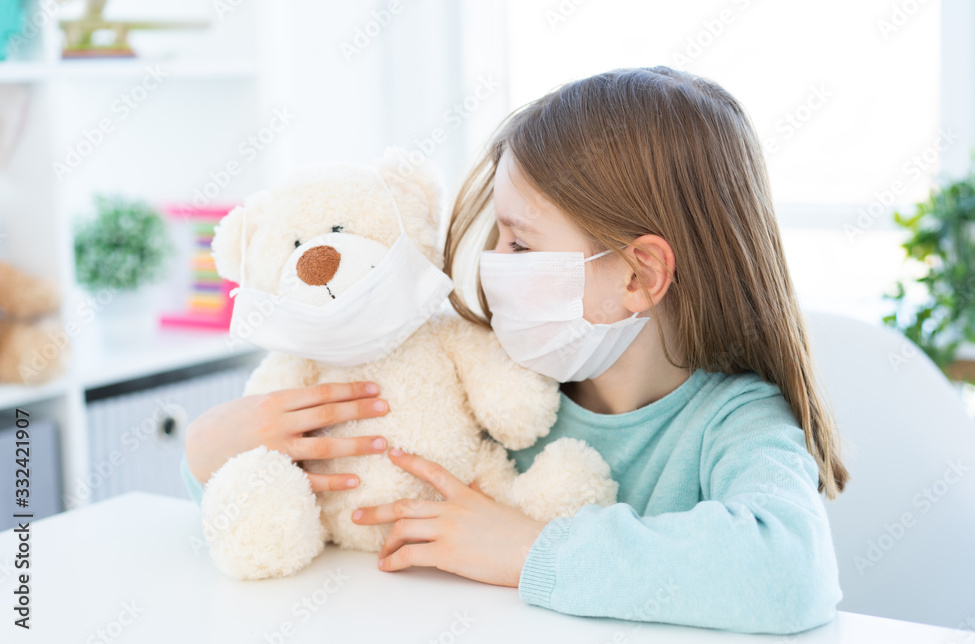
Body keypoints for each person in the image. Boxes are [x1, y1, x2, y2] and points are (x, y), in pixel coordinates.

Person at [181, 65, 848, 635]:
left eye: (521, 244)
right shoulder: (487, 383)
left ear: (640, 276)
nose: (494, 267)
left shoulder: (736, 421)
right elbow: (302, 506)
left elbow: (791, 571)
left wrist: (531, 550)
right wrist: (210, 457)